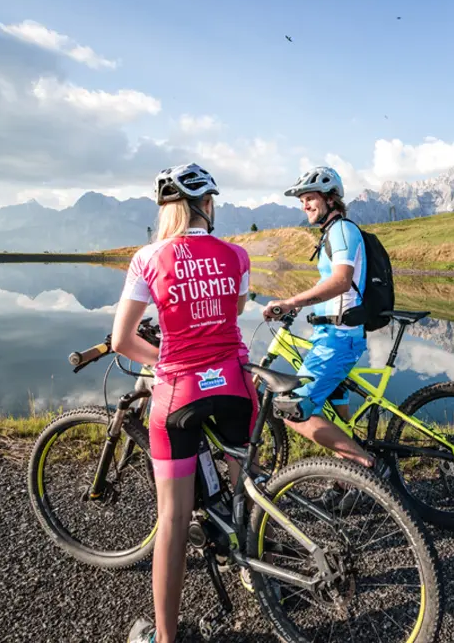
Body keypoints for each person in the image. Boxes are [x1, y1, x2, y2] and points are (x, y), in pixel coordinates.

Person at [117, 163, 255, 643]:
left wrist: (166, 360)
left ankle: (165, 638)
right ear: (207, 205)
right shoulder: (237, 255)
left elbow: (122, 340)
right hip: (236, 385)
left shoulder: (147, 258)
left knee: (173, 520)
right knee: (247, 496)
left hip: (179, 392)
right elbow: (233, 312)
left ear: (167, 210)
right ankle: (259, 571)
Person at [262, 166, 377, 473]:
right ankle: (346, 480)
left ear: (330, 198)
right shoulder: (332, 232)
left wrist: (291, 301)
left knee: (291, 410)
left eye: (310, 198)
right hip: (332, 334)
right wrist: (300, 306)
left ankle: (367, 467)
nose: (305, 206)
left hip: (339, 339)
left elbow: (340, 281)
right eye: (302, 201)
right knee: (338, 414)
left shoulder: (342, 231)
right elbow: (331, 285)